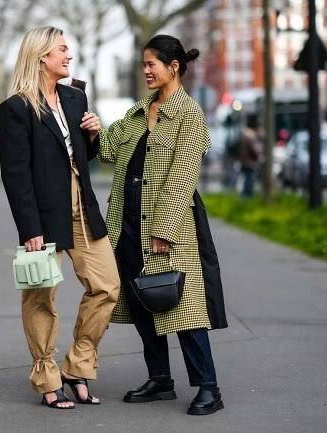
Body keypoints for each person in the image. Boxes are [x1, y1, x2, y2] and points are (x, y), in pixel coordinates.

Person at [97, 35, 228, 416]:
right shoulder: (139, 112)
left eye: (151, 64)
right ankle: (160, 380)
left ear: (173, 67)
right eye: (143, 64)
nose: (145, 71)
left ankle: (209, 388)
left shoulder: (190, 115)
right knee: (143, 305)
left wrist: (164, 229)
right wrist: (91, 126)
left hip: (167, 231)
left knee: (183, 307)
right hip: (127, 225)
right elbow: (107, 150)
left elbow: (183, 176)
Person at [0, 26, 120, 410]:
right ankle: (47, 376)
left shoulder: (74, 96)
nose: (69, 55)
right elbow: (16, 174)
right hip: (44, 214)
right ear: (41, 57)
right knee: (41, 296)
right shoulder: (16, 108)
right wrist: (29, 228)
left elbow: (83, 155)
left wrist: (93, 135)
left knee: (107, 286)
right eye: (62, 49)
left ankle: (78, 366)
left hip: (83, 207)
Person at [238, 116, 262, 197]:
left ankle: (245, 196)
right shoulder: (250, 135)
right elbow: (253, 149)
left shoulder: (245, 134)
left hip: (244, 161)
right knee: (249, 180)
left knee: (247, 179)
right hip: (249, 162)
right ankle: (246, 197)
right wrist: (258, 155)